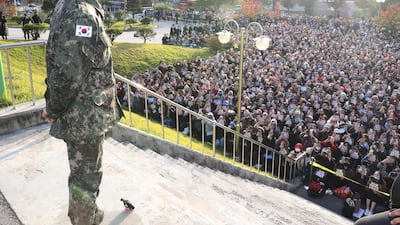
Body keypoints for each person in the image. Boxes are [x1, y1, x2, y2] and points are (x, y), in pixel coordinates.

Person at [42, 0, 121, 224]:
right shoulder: (81, 14)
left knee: (82, 175)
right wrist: (53, 108)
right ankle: (85, 219)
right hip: (84, 117)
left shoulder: (69, 6)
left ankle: (86, 215)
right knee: (86, 179)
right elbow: (69, 74)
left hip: (82, 113)